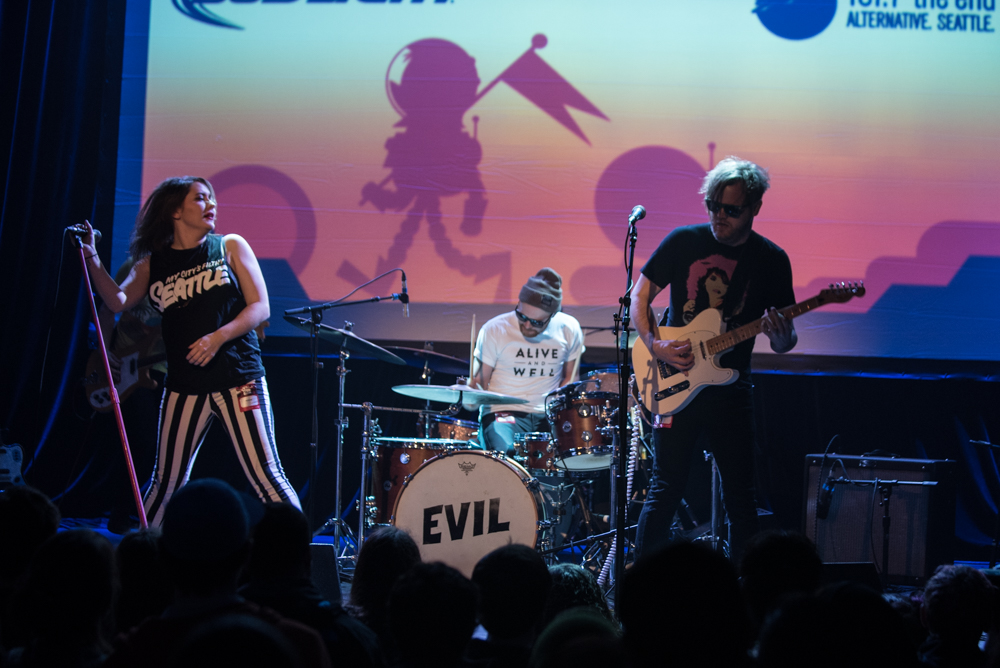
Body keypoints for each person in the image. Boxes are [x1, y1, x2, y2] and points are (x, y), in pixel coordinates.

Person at [78, 175, 300, 526]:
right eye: (200, 198)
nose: (211, 204)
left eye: (211, 198)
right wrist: (90, 256)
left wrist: (217, 338)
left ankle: (299, 560)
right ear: (175, 212)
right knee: (165, 483)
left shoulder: (229, 245)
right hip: (185, 384)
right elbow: (116, 301)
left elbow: (260, 307)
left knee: (267, 477)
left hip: (238, 376)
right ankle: (147, 561)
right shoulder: (153, 264)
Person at [630, 156, 797, 561]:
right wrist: (654, 344)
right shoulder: (683, 241)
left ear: (755, 207)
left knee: (742, 497)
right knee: (665, 487)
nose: (718, 217)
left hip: (730, 389)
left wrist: (780, 334)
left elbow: (784, 343)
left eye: (731, 210)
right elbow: (639, 296)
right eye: (713, 207)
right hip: (672, 376)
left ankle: (746, 593)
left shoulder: (771, 260)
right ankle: (639, 588)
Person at [472, 268, 584, 453]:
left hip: (548, 415)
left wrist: (556, 405)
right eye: (521, 316)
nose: (527, 325)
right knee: (505, 456)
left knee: (571, 458)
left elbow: (570, 378)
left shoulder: (569, 328)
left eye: (536, 322)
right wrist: (471, 392)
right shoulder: (495, 329)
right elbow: (480, 381)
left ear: (552, 315)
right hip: (503, 412)